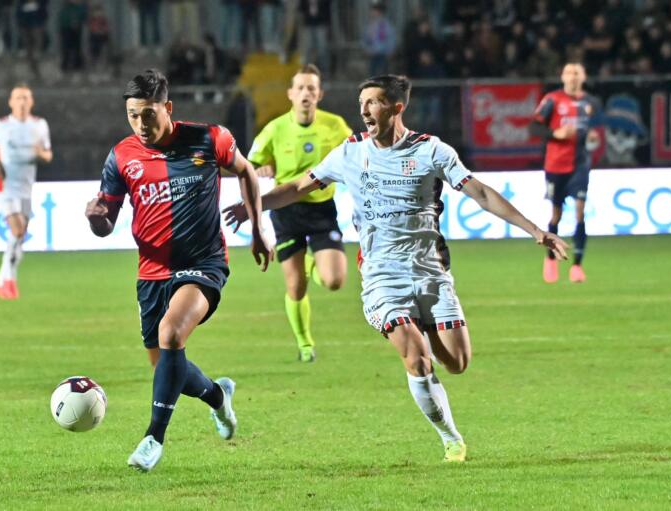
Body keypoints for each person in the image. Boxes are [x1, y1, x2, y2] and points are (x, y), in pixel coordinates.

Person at [224, 75, 568, 462]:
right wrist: (255, 205)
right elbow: (299, 187)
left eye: (372, 102)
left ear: (396, 107)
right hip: (381, 275)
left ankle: (425, 337)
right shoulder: (350, 152)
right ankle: (450, 437)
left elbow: (482, 193)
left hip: (429, 270)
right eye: (362, 102)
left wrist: (537, 231)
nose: (363, 110)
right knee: (416, 356)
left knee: (456, 363)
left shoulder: (431, 151)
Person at [84, 69, 272, 472]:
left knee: (171, 335)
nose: (141, 125)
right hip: (151, 273)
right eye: (133, 115)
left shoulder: (210, 139)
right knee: (166, 365)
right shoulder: (122, 156)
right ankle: (218, 398)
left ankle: (154, 438)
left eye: (148, 115)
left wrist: (258, 231)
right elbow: (106, 222)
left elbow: (247, 171)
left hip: (203, 265)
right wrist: (95, 218)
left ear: (167, 108)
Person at [247, 63, 352, 362]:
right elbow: (249, 166)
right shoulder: (275, 128)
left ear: (320, 94)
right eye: (301, 88)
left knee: (334, 281)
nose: (306, 93)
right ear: (291, 94)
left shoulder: (336, 126)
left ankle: (311, 263)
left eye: (312, 88)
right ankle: (305, 345)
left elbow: (356, 155)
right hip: (286, 208)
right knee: (295, 286)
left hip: (322, 209)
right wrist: (262, 168)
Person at [0, 83, 53, 300]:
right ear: (10, 102)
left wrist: (41, 153)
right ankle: (8, 280)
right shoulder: (0, 125)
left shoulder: (40, 125)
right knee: (18, 230)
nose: (22, 101)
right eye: (18, 97)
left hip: (26, 185)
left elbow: (48, 155)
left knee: (19, 236)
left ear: (32, 102)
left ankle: (3, 279)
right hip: (6, 184)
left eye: (26, 98)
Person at [530, 62, 600, 284]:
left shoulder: (591, 103)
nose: (573, 77)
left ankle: (577, 266)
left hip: (580, 165)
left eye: (577, 72)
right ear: (562, 76)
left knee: (580, 212)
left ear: (584, 76)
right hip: (555, 165)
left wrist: (593, 138)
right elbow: (534, 128)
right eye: (569, 72)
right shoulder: (552, 100)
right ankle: (551, 258)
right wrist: (555, 133)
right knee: (556, 215)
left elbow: (593, 131)